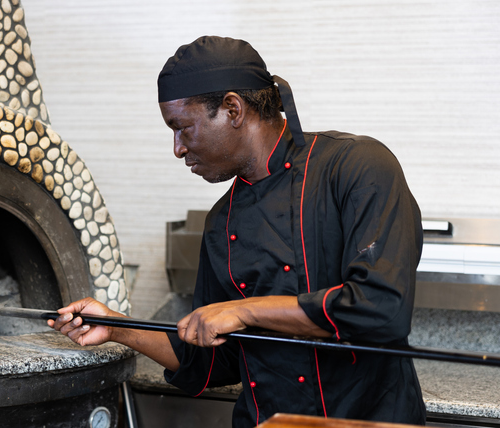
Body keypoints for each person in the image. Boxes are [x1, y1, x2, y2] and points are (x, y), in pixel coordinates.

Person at [49, 35, 426, 427]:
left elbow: (380, 310)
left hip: (371, 420)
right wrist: (117, 327)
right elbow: (213, 358)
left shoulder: (357, 167)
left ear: (232, 109)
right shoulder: (221, 221)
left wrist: (243, 310)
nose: (177, 148)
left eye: (182, 128)